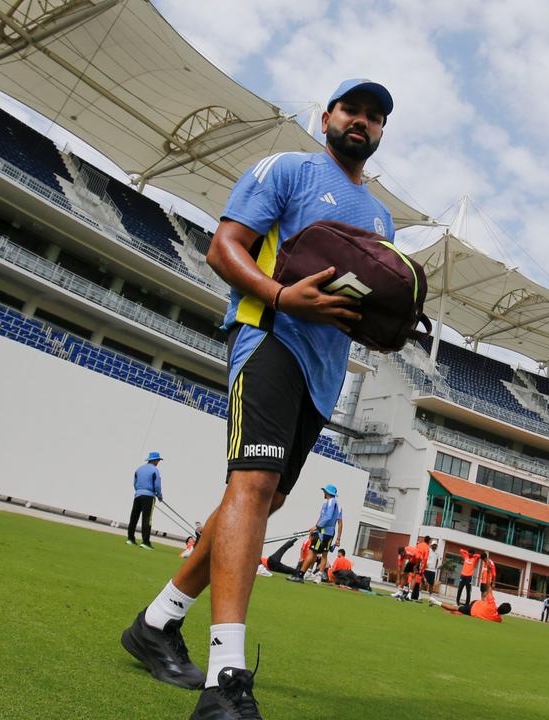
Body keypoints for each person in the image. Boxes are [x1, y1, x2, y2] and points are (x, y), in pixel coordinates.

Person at [119, 78, 396, 720]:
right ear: (327, 116)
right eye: (352, 109)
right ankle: (226, 679)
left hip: (325, 373)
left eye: (374, 117)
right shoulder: (289, 169)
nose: (361, 121)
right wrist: (277, 295)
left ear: (381, 133)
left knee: (257, 500)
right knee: (251, 487)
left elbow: (366, 301)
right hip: (269, 335)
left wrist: (384, 329)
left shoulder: (381, 219)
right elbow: (225, 247)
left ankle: (158, 623)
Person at [289, 485, 344, 583]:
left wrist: (317, 527)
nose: (324, 493)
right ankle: (306, 573)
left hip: (323, 533)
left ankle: (300, 574)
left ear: (327, 492)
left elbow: (327, 517)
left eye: (324, 491)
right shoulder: (329, 504)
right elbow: (323, 517)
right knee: (319, 553)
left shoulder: (332, 501)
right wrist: (315, 528)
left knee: (312, 552)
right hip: (326, 533)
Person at [127, 452, 163, 549]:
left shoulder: (139, 469)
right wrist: (159, 496)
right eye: (158, 460)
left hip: (138, 495)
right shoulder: (155, 470)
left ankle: (130, 539)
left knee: (134, 517)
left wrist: (139, 491)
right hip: (149, 497)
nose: (158, 462)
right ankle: (145, 542)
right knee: (147, 519)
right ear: (154, 460)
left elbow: (135, 483)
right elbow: (157, 486)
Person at [438, 587, 512, 623]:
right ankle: (449, 610)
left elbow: (489, 590)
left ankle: (448, 609)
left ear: (500, 605)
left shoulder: (493, 605)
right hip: (474, 609)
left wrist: (490, 582)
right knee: (459, 610)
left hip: (475, 603)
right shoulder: (498, 619)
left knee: (458, 610)